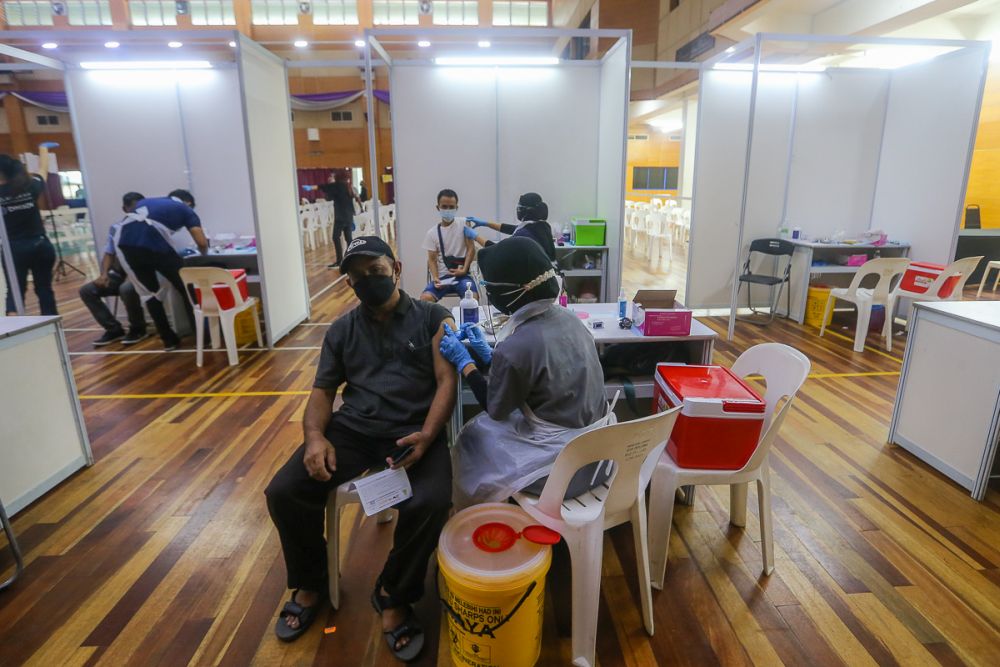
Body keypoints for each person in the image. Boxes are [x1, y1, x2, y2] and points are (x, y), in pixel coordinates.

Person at [265, 236, 455, 661]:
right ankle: (312, 580)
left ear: (397, 268)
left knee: (431, 501)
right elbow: (322, 392)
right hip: (354, 430)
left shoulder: (433, 317)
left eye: (377, 271)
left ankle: (393, 591)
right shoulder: (342, 330)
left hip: (414, 432)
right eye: (358, 276)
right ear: (349, 283)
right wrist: (315, 437)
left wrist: (428, 434)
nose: (369, 281)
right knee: (285, 491)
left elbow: (446, 381)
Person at [438, 236, 613, 507]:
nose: (488, 291)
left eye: (488, 286)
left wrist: (466, 363)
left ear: (511, 292)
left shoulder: (516, 347)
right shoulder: (571, 320)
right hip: (600, 457)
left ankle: (481, 515)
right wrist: (491, 358)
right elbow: (538, 375)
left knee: (473, 438)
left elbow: (496, 409)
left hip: (561, 472)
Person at [114, 190, 208, 350]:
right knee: (187, 287)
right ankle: (203, 336)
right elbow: (201, 241)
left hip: (126, 245)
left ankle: (168, 340)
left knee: (151, 294)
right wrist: (204, 254)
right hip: (153, 243)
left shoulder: (148, 202)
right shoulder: (185, 209)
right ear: (189, 203)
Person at [80, 192, 150, 346]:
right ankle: (113, 329)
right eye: (133, 208)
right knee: (87, 290)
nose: (136, 212)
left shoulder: (149, 225)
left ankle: (138, 328)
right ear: (125, 209)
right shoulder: (116, 228)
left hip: (144, 275)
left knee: (126, 288)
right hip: (121, 275)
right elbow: (109, 253)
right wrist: (104, 274)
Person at [1, 150, 57, 316]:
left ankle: (15, 332)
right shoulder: (29, 185)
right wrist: (43, 150)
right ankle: (53, 331)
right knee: (45, 289)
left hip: (14, 250)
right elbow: (43, 170)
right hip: (41, 245)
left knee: (15, 292)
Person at [463, 192, 557, 262]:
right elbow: (513, 229)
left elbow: (497, 250)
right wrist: (485, 223)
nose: (517, 210)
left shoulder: (523, 235)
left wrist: (475, 236)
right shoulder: (541, 225)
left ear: (525, 211)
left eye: (519, 208)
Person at [420, 188, 476, 303]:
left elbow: (471, 248)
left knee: (472, 299)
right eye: (444, 207)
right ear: (438, 208)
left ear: (457, 208)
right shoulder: (432, 233)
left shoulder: (464, 223)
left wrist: (464, 270)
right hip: (442, 278)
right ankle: (437, 319)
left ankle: (469, 321)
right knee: (425, 299)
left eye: (451, 207)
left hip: (463, 277)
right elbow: (432, 259)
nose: (448, 210)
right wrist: (435, 278)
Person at [321, 170, 361, 269]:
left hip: (340, 217)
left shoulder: (337, 187)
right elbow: (355, 198)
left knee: (335, 237)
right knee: (348, 239)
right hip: (348, 216)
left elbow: (328, 198)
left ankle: (339, 261)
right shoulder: (348, 186)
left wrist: (330, 186)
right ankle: (351, 260)